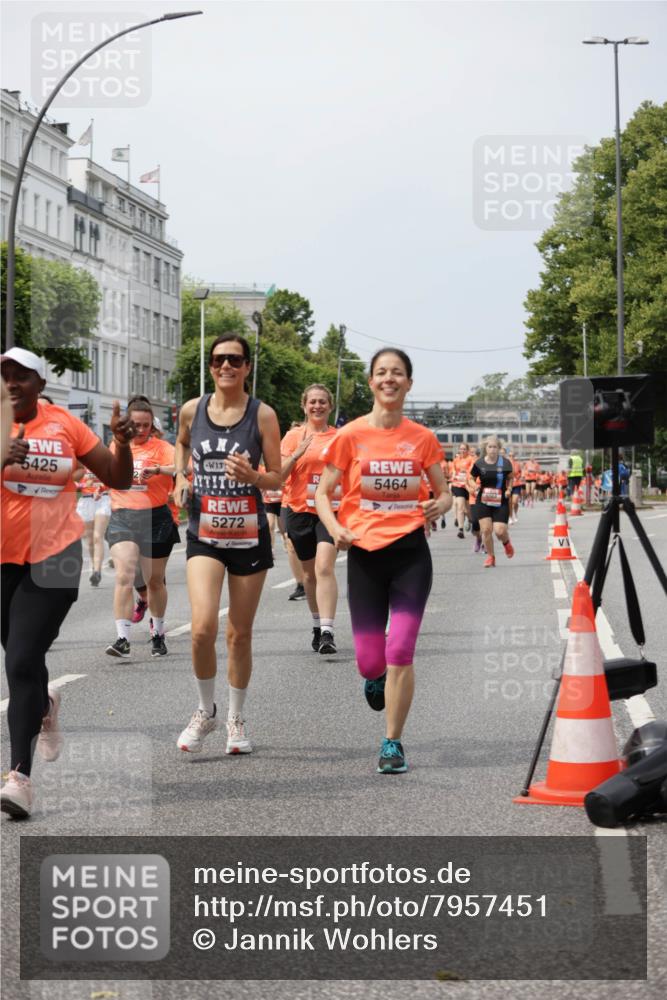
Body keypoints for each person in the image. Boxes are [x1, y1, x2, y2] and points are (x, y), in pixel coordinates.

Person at [0, 347, 133, 819]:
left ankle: (19, 779)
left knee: (19, 660)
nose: (11, 384)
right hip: (2, 561)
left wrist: (122, 443)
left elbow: (117, 476)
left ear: (40, 384)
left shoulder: (64, 425)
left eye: (21, 377)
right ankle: (46, 702)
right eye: (4, 376)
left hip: (54, 557)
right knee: (22, 656)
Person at [316, 348, 451, 775]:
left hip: (411, 554)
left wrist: (441, 505)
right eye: (381, 373)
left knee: (401, 650)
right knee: (370, 661)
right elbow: (323, 493)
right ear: (371, 382)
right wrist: (336, 528)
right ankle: (374, 677)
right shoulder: (349, 435)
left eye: (397, 373)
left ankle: (392, 742)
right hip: (365, 556)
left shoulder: (423, 438)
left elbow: (444, 491)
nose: (389, 379)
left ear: (409, 384)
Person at [174, 334, 281, 756]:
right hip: (204, 534)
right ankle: (206, 711)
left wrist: (254, 478)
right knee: (201, 629)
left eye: (234, 359)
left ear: (247, 366)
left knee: (238, 634)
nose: (226, 367)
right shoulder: (192, 410)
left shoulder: (263, 415)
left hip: (248, 535)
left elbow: (277, 477)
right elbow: (181, 442)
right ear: (211, 365)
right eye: (219, 360)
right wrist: (182, 476)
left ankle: (236, 716)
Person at [105, 397, 177, 658]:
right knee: (124, 574)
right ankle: (122, 638)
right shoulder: (117, 445)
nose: (141, 429)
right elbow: (103, 469)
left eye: (146, 425)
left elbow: (184, 467)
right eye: (135, 424)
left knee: (154, 580)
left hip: (155, 517)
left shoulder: (162, 447)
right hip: (123, 515)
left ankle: (158, 632)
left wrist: (158, 470)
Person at [282, 384, 341, 654]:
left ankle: (328, 631)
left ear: (330, 406)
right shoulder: (293, 436)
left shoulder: (341, 437)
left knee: (324, 567)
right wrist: (296, 455)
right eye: (312, 402)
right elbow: (279, 476)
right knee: (309, 574)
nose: (317, 406)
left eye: (322, 402)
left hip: (330, 510)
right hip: (298, 510)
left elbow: (352, 473)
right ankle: (317, 625)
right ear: (304, 406)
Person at [467, 435, 514, 569]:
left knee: (499, 531)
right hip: (483, 499)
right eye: (490, 447)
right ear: (485, 448)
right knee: (486, 530)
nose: (492, 449)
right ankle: (491, 557)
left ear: (499, 448)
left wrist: (509, 489)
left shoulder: (505, 463)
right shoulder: (479, 463)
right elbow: (470, 478)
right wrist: (474, 485)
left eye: (495, 447)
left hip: (501, 500)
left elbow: (510, 478)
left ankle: (506, 543)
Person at [73, 466, 111, 586]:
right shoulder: (79, 463)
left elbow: (113, 479)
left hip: (102, 498)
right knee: (89, 540)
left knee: (97, 537)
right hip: (85, 501)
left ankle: (97, 571)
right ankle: (95, 566)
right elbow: (71, 482)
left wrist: (98, 483)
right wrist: (82, 485)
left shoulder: (102, 460)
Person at [450, 443, 473, 540]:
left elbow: (472, 472)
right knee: (460, 506)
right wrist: (453, 476)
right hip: (458, 485)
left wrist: (466, 475)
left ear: (467, 450)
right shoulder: (456, 460)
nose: (462, 451)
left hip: (467, 486)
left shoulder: (471, 459)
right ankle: (460, 530)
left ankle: (470, 519)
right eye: (461, 449)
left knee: (467, 510)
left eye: (464, 449)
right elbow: (454, 471)